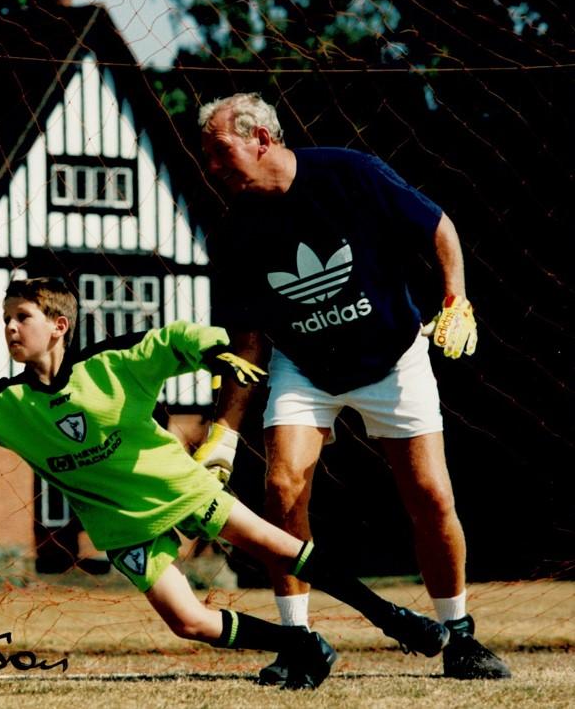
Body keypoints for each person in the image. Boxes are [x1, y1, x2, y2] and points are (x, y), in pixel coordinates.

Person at [0, 277, 450, 690]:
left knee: (283, 550)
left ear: (58, 325)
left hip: (180, 489)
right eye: (6, 318)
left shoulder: (111, 365)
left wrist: (215, 349)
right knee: (188, 622)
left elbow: (173, 340)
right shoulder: (3, 407)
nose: (10, 328)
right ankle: (302, 644)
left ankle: (394, 619)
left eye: (22, 317)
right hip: (121, 526)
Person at [197, 92, 511, 683]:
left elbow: (439, 226)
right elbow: (249, 342)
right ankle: (298, 642)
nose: (211, 167)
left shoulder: (351, 173)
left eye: (219, 151)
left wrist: (456, 299)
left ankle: (461, 637)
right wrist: (223, 433)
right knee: (281, 487)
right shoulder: (234, 232)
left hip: (394, 358)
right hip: (305, 367)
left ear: (261, 139)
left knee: (430, 495)